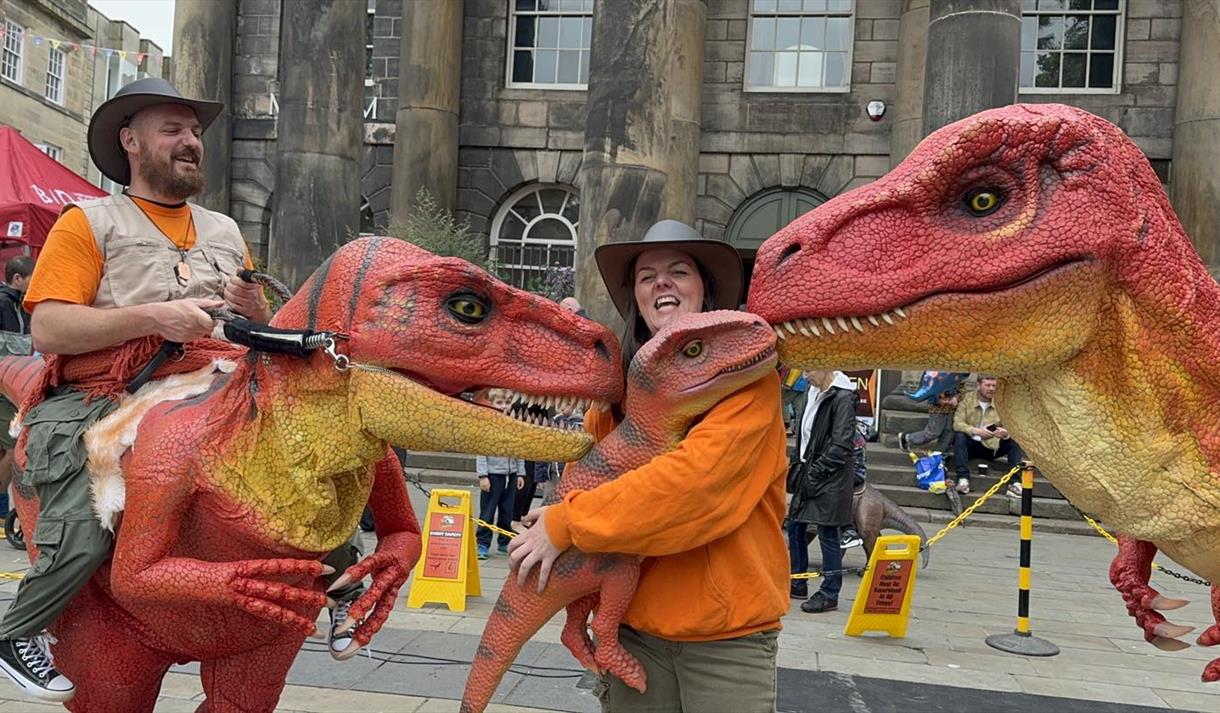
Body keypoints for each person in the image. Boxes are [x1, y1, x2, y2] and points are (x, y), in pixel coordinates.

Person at [0, 78, 366, 701]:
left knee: (319, 449)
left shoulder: (223, 229)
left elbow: (249, 329)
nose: (191, 142)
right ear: (131, 142)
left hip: (214, 387)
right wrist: (152, 317)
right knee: (91, 513)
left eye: (195, 132)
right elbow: (49, 327)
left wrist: (253, 310)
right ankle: (17, 629)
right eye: (173, 130)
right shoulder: (88, 222)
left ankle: (343, 575)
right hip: (109, 396)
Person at [508, 220, 788, 712]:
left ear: (705, 288)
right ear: (635, 298)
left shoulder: (746, 386)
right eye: (646, 276)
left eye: (679, 271)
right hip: (633, 630)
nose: (662, 283)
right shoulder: (616, 396)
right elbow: (591, 477)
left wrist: (567, 522)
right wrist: (558, 517)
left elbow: (695, 488)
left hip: (726, 639)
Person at [786, 370, 858, 613]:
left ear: (827, 367)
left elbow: (841, 444)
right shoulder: (812, 392)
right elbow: (804, 435)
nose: (805, 376)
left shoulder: (843, 397)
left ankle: (830, 592)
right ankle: (797, 581)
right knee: (795, 525)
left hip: (829, 474)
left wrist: (816, 471)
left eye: (808, 369)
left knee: (828, 532)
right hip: (809, 469)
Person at [951, 376, 1025, 497]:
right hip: (971, 445)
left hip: (993, 447)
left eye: (994, 386)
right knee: (960, 436)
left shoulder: (1001, 402)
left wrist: (1005, 433)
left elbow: (1014, 426)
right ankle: (963, 479)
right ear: (979, 385)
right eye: (988, 385)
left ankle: (1015, 483)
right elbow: (957, 423)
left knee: (1014, 442)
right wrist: (977, 431)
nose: (991, 389)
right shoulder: (967, 399)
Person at [476, 389, 524, 559]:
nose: (504, 406)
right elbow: (481, 452)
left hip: (510, 475)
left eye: (507, 402)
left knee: (507, 511)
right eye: (499, 402)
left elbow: (519, 450)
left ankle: (504, 542)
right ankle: (482, 543)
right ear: (491, 404)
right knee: (488, 512)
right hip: (492, 476)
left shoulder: (513, 424)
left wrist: (520, 473)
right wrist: (483, 476)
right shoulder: (487, 425)